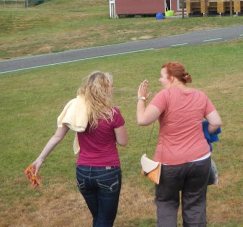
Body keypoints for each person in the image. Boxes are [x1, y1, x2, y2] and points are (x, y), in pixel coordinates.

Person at [32, 71, 128, 227]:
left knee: (98, 217)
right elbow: (123, 141)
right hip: (107, 172)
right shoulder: (113, 113)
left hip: (83, 172)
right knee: (105, 221)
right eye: (111, 85)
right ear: (103, 89)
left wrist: (40, 159)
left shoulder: (77, 112)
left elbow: (57, 136)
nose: (113, 88)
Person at [136, 62, 222, 227]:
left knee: (167, 204)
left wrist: (141, 99)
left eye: (162, 76)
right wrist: (203, 133)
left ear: (171, 78)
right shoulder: (200, 95)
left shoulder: (164, 95)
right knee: (195, 204)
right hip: (200, 160)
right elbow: (216, 122)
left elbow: (143, 119)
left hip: (170, 164)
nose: (160, 80)